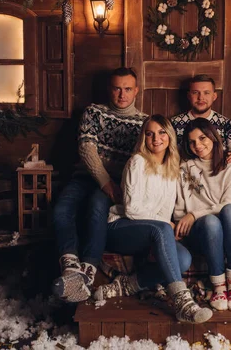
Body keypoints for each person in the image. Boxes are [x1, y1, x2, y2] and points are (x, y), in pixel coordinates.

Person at [93, 115, 213, 324]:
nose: (156, 138)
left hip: (150, 231)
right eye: (149, 134)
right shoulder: (137, 162)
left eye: (161, 132)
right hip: (120, 227)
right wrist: (164, 226)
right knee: (161, 230)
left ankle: (127, 285)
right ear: (143, 138)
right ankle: (182, 303)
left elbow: (167, 212)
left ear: (170, 136)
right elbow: (131, 209)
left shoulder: (173, 168)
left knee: (184, 259)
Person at [52, 67, 147, 303]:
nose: (121, 94)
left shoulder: (144, 122)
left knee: (97, 208)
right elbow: (87, 150)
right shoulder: (94, 112)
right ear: (109, 89)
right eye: (117, 88)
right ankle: (71, 266)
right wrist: (106, 183)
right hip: (87, 177)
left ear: (136, 91)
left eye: (127, 89)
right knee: (62, 208)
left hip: (120, 183)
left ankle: (88, 271)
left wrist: (117, 187)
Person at [174, 118, 231, 312]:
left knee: (230, 210)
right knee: (210, 222)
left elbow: (230, 204)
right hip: (202, 233)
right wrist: (187, 219)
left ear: (213, 136)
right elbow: (178, 210)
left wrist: (194, 213)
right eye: (192, 142)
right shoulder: (185, 169)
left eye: (202, 138)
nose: (198, 145)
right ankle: (218, 286)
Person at [170, 74, 231, 169]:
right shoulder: (173, 124)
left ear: (214, 96)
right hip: (185, 176)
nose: (201, 97)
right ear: (189, 96)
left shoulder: (227, 125)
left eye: (206, 93)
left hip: (217, 177)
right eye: (195, 92)